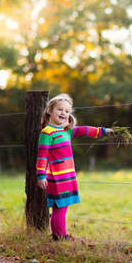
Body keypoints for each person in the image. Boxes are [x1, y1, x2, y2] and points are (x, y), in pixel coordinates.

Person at [36, 93, 113, 241]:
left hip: (68, 177)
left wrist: (102, 131)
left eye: (67, 111)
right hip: (56, 178)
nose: (63, 113)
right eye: (59, 109)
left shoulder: (66, 130)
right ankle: (59, 237)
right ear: (49, 111)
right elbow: (42, 156)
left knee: (62, 208)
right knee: (59, 207)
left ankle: (59, 236)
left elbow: (84, 130)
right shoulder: (47, 133)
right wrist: (41, 175)